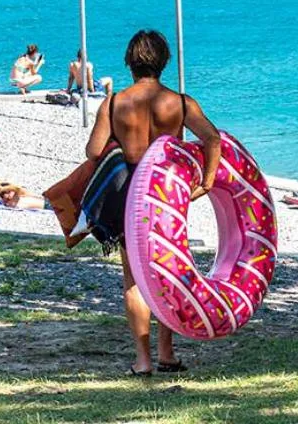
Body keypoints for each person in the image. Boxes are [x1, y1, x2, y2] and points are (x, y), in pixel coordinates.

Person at [84, 28, 221, 377]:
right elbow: (212, 138)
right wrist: (206, 182)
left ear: (130, 63)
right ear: (164, 62)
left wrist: (119, 141)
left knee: (134, 279)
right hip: (167, 197)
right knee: (166, 273)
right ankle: (167, 353)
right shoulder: (180, 102)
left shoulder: (115, 103)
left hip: (132, 199)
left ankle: (143, 359)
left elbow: (93, 151)